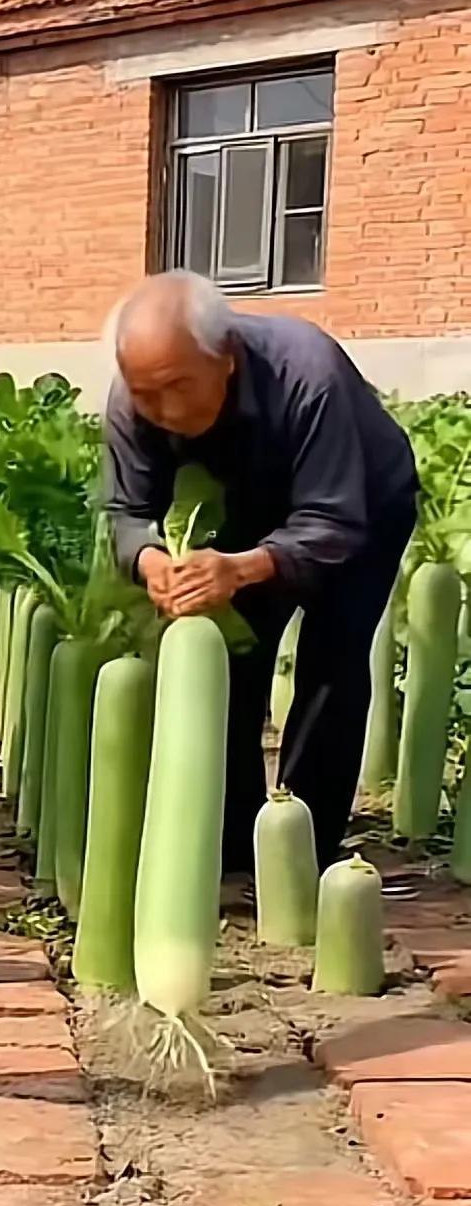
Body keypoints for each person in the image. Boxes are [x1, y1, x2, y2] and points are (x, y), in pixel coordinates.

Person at [102, 271, 418, 873]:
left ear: (225, 358)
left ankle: (302, 850)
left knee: (334, 662)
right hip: (244, 509)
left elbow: (332, 522)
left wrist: (245, 567)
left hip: (361, 507)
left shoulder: (306, 373)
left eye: (176, 387)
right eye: (146, 393)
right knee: (231, 661)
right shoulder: (133, 399)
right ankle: (232, 838)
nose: (163, 411)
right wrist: (151, 562)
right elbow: (126, 512)